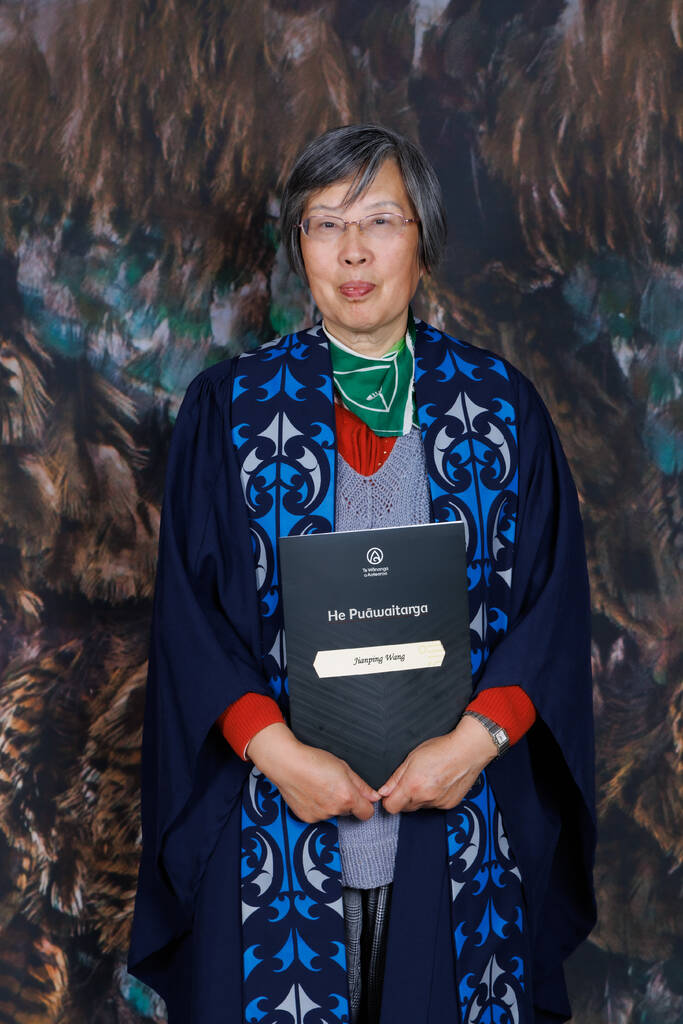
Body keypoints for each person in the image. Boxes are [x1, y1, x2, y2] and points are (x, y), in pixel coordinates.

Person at [127, 124, 596, 1024]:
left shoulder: (499, 409)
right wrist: (280, 756)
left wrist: (474, 746)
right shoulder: (229, 411)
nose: (351, 250)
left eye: (379, 219)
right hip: (279, 821)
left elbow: (550, 605)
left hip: (454, 818)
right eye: (321, 223)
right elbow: (190, 622)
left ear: (423, 236)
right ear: (297, 246)